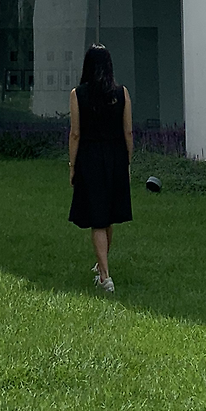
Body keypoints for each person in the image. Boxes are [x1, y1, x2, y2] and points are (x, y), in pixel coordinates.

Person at [68, 43, 133, 293]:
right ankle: (101, 264)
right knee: (108, 216)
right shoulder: (121, 93)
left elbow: (75, 134)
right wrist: (128, 162)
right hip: (116, 157)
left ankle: (105, 276)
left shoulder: (78, 94)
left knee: (97, 218)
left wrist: (73, 165)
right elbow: (128, 132)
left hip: (90, 157)